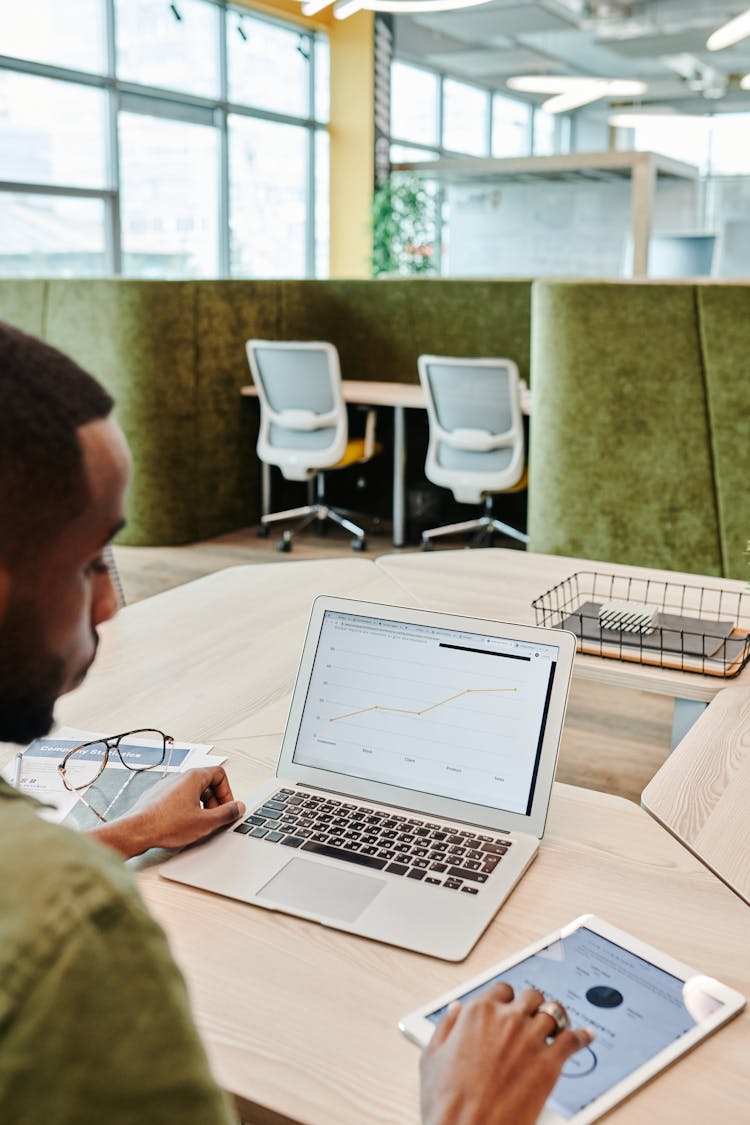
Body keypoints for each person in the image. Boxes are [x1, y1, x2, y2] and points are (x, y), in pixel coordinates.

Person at [0, 321, 592, 1124]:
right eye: (90, 559)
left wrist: (134, 831)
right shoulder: (78, 928)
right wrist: (468, 1111)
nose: (110, 601)